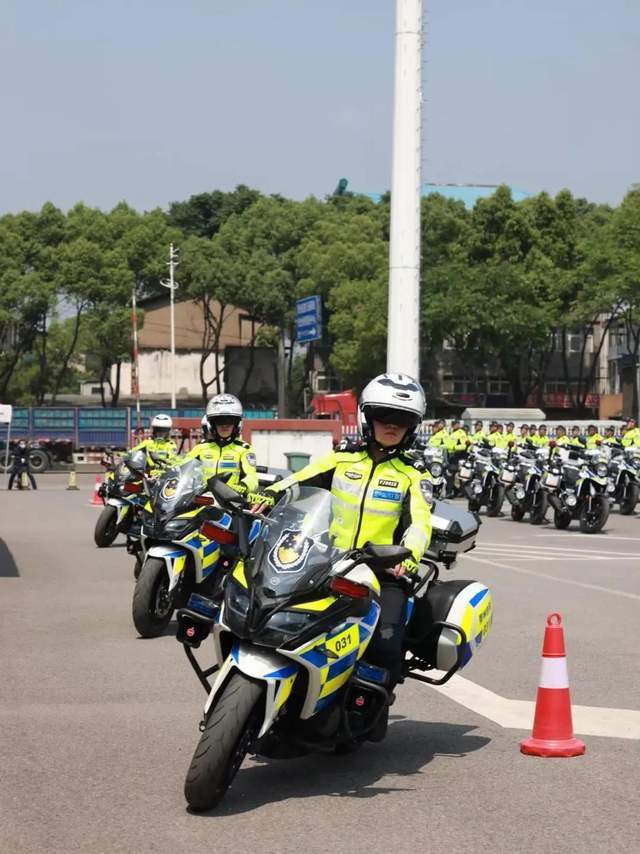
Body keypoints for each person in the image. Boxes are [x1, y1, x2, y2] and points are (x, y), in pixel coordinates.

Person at [254, 372, 433, 737]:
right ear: (369, 418)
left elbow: (420, 523)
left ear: (412, 427)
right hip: (322, 558)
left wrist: (409, 556)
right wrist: (269, 496)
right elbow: (298, 481)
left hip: (381, 568)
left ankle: (368, 710)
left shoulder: (413, 475)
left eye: (402, 420)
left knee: (386, 640)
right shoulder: (341, 460)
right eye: (384, 416)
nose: (392, 426)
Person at [184, 394, 258, 495]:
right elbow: (182, 467)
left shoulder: (244, 449)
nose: (224, 425)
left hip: (229, 500)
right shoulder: (201, 448)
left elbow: (252, 478)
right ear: (212, 424)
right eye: (219, 421)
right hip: (201, 499)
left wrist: (242, 486)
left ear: (237, 424)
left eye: (229, 421)